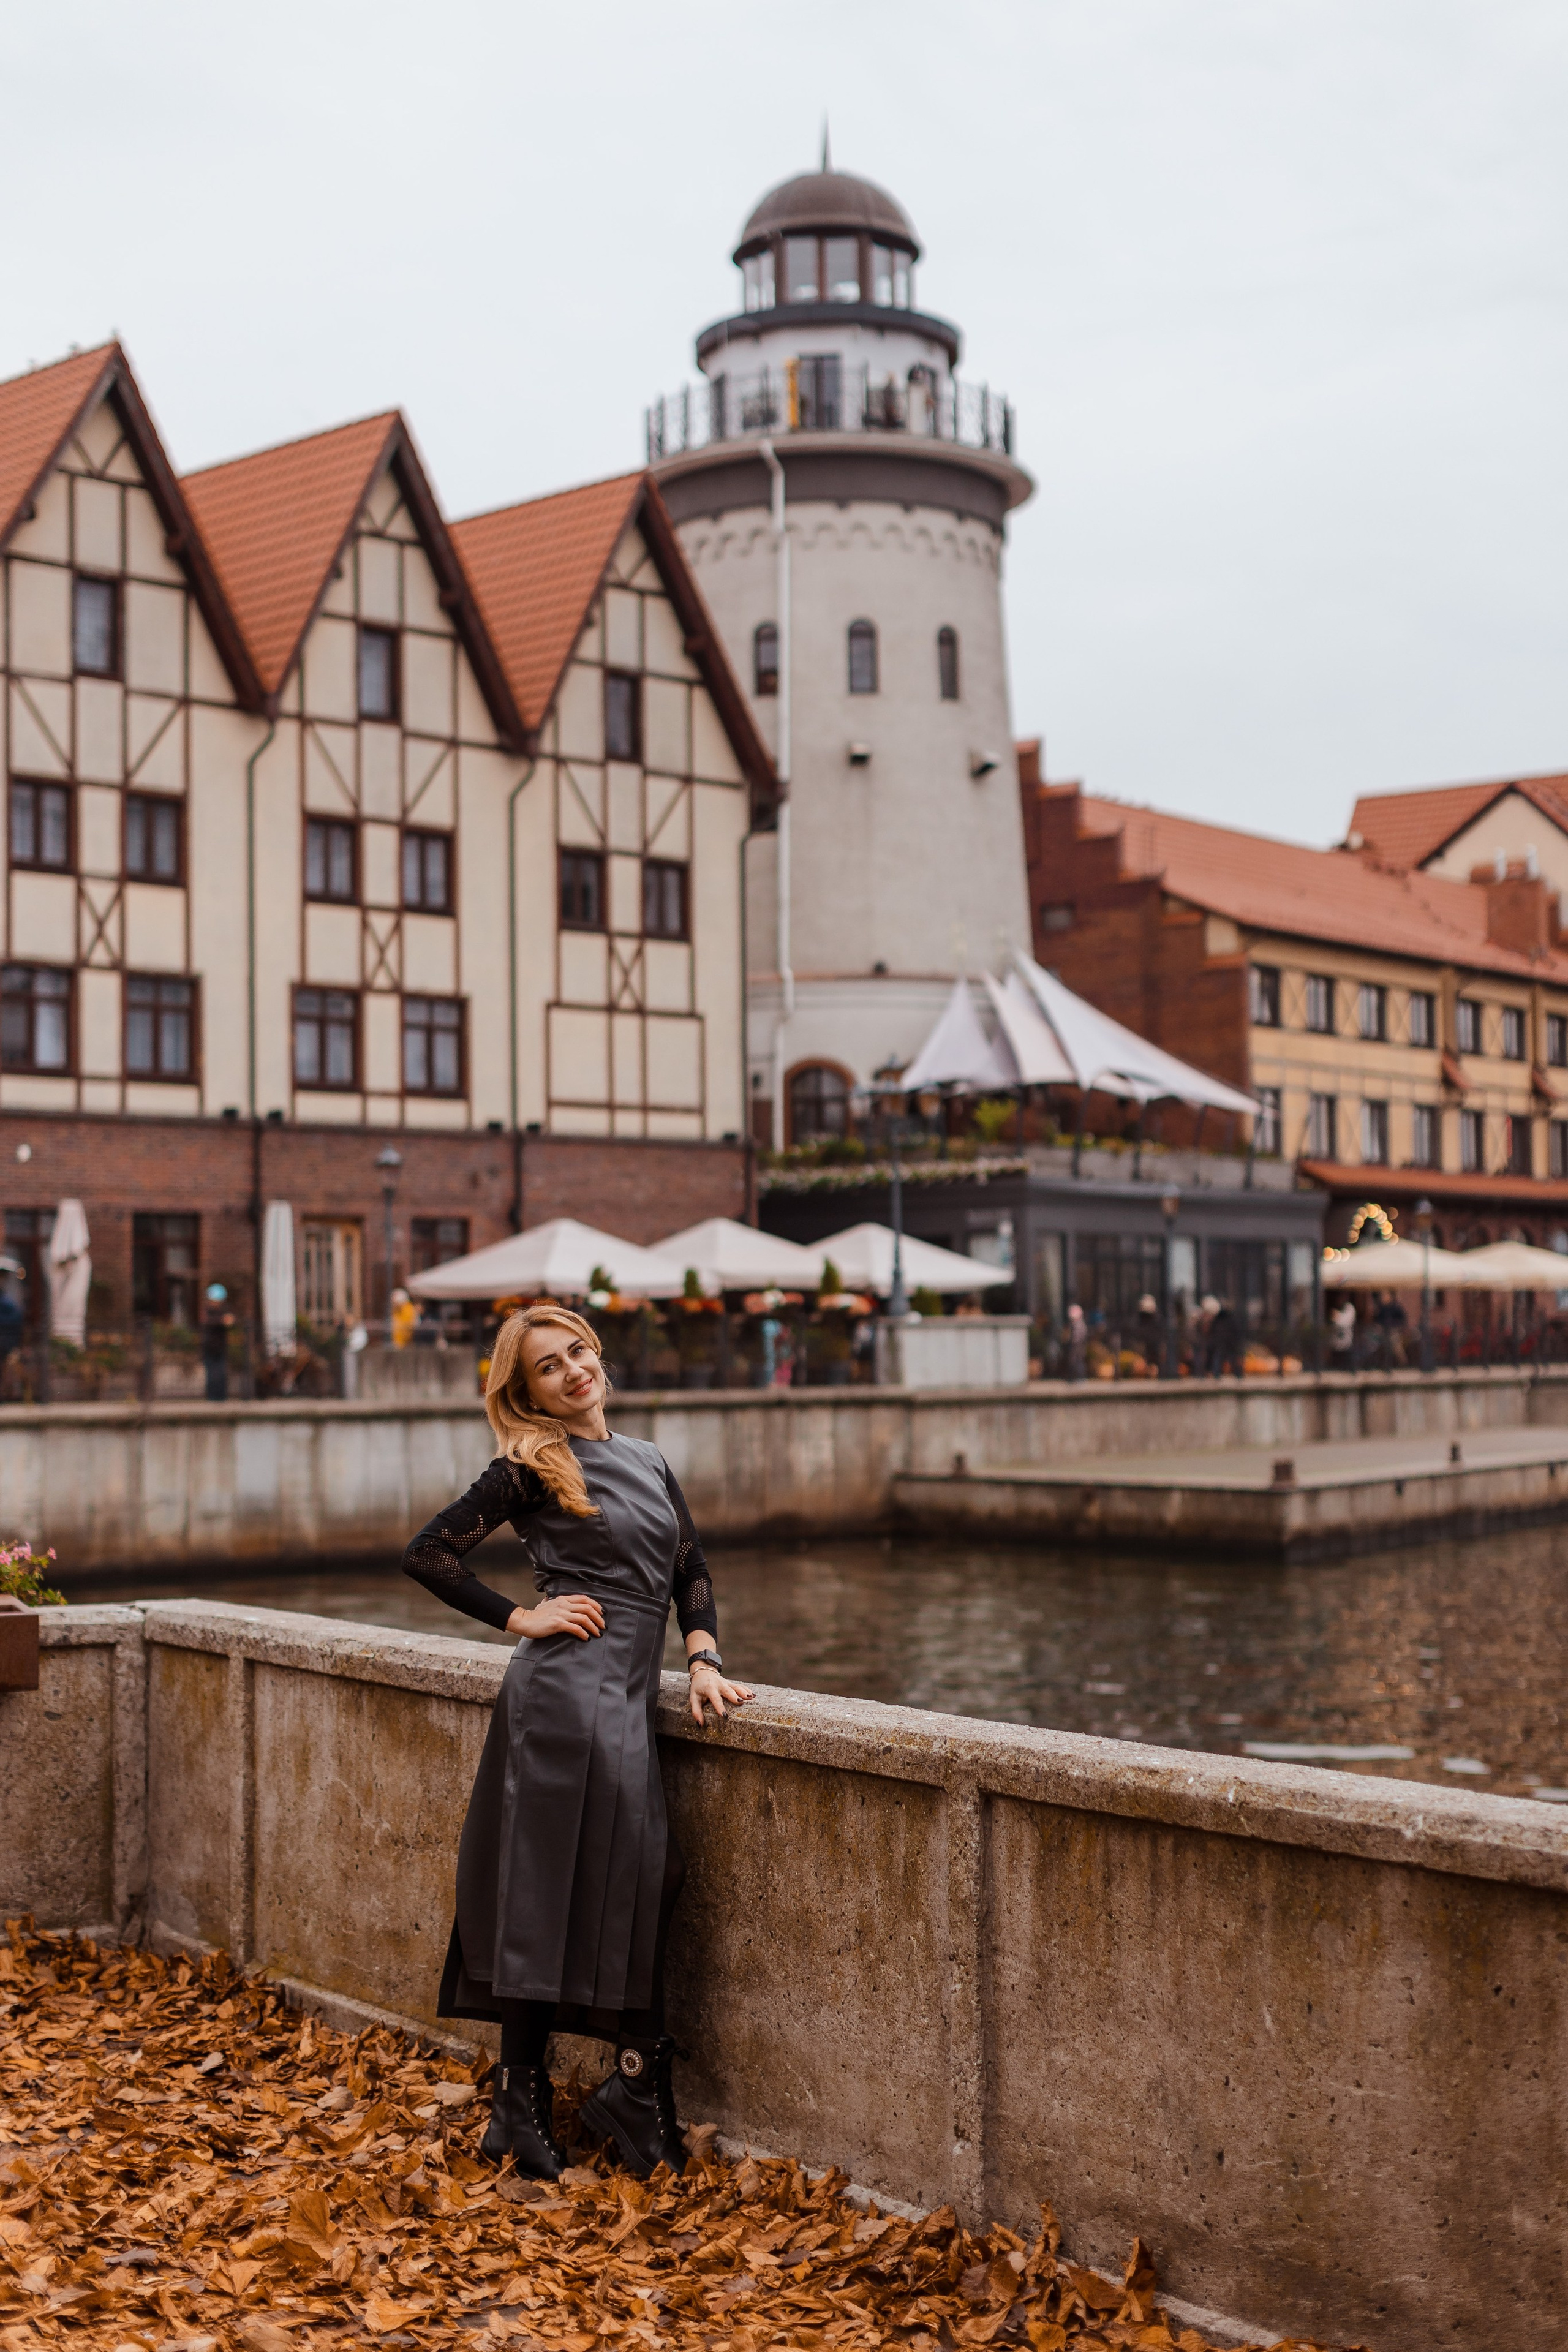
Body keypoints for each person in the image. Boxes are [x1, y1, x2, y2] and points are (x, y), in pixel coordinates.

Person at [402, 1301, 752, 2185]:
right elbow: (430, 1552)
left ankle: (604, 2093)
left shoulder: (646, 1460)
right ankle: (542, 2104)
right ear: (530, 1394)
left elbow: (692, 1571)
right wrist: (524, 1616)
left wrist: (703, 1659)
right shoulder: (531, 1464)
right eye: (547, 1369)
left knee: (637, 1875)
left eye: (576, 1352)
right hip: (562, 1696)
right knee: (554, 1884)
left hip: (627, 1693)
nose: (572, 1372)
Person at [201, 1284, 233, 1401]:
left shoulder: (224, 1311)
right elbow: (209, 1322)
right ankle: (212, 1398)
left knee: (221, 1373)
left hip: (220, 1347)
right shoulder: (208, 1312)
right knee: (212, 1374)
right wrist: (222, 1321)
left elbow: (230, 1321)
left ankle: (221, 1397)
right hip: (210, 1347)